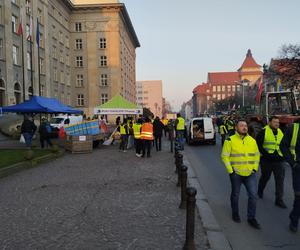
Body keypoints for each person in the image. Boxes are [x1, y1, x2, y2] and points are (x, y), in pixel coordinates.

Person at [221, 119, 261, 229]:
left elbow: (257, 155)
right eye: (242, 125)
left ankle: (251, 218)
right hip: (236, 174)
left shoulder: (252, 140)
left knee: (253, 195)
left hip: (250, 173)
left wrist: (255, 168)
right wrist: (231, 170)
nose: (244, 127)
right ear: (236, 128)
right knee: (235, 195)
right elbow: (224, 156)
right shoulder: (230, 140)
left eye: (246, 126)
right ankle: (235, 213)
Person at [256, 116, 287, 208]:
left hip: (279, 161)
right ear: (269, 123)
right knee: (265, 177)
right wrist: (267, 155)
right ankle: (260, 191)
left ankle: (279, 200)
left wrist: (284, 156)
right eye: (274, 122)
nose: (277, 124)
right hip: (267, 161)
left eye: (278, 122)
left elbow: (285, 145)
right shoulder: (263, 132)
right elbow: (259, 146)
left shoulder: (282, 132)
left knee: (280, 180)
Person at [280, 120, 300, 232]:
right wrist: (293, 163)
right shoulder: (294, 128)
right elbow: (283, 146)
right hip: (298, 168)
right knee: (299, 196)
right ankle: (294, 220)